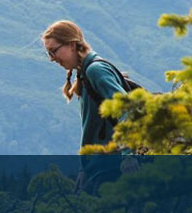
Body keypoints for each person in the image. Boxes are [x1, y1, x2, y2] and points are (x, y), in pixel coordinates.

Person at [42, 19, 136, 195]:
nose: (52, 59)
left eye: (54, 51)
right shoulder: (84, 74)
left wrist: (129, 155)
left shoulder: (95, 71)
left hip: (111, 168)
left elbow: (127, 109)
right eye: (49, 54)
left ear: (71, 45)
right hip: (98, 168)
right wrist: (84, 169)